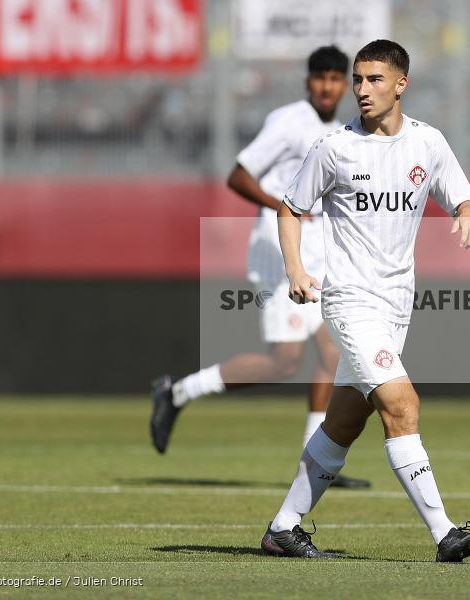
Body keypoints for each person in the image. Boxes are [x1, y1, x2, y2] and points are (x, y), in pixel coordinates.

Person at [260, 39, 470, 562]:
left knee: (343, 422)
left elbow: (461, 192)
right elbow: (290, 209)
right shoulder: (334, 147)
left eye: (373, 80)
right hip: (349, 301)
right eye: (358, 80)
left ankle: (283, 528)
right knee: (402, 406)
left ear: (401, 84)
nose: (360, 90)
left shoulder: (427, 143)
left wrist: (468, 211)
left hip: (395, 306)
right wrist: (295, 267)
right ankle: (445, 533)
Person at [149, 45, 370, 489]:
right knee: (285, 362)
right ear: (307, 81)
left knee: (334, 353)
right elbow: (238, 175)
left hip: (319, 256)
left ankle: (317, 463)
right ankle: (178, 392)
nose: (327, 86)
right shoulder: (289, 122)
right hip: (278, 253)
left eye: (334, 78)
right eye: (319, 77)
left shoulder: (346, 129)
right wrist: (285, 208)